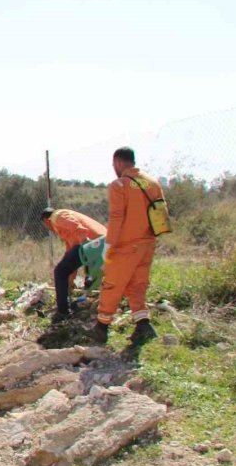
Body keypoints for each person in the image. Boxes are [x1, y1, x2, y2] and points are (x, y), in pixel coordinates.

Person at [89, 147, 164, 344]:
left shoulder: (119, 185)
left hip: (125, 246)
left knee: (112, 284)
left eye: (114, 164)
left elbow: (116, 217)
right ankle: (143, 324)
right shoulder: (152, 183)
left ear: (119, 162)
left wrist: (108, 245)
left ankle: (102, 327)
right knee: (137, 285)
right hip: (147, 244)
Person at [41, 207, 107, 324]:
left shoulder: (57, 216)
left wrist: (87, 246)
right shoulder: (67, 234)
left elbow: (78, 228)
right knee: (65, 271)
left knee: (59, 272)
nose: (49, 229)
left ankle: (63, 312)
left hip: (95, 243)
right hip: (106, 242)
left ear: (46, 221)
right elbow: (70, 261)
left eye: (46, 226)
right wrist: (70, 282)